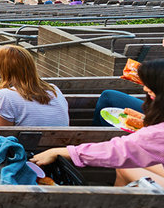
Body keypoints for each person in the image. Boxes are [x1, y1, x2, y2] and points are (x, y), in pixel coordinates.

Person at [31, 59, 164, 186]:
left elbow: (118, 149)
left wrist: (61, 152)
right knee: (128, 167)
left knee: (126, 168)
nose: (145, 89)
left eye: (152, 90)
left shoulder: (156, 133)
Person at [0, 45, 69, 127]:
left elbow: (0, 132)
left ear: (3, 69)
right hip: (60, 139)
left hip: (26, 140)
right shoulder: (54, 89)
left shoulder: (6, 95)